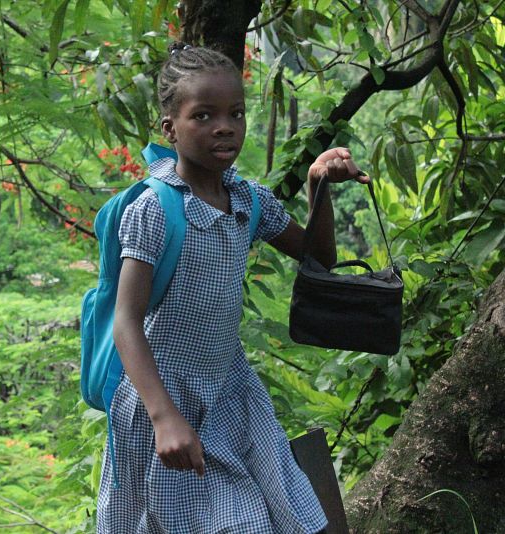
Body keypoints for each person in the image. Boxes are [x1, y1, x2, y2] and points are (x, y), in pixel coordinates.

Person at [98, 43, 369, 533]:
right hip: (163, 397)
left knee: (254, 519)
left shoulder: (247, 201)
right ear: (169, 129)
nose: (224, 126)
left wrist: (319, 184)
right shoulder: (154, 211)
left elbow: (318, 257)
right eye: (202, 115)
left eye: (235, 113)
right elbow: (126, 321)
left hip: (228, 391)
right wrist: (164, 418)